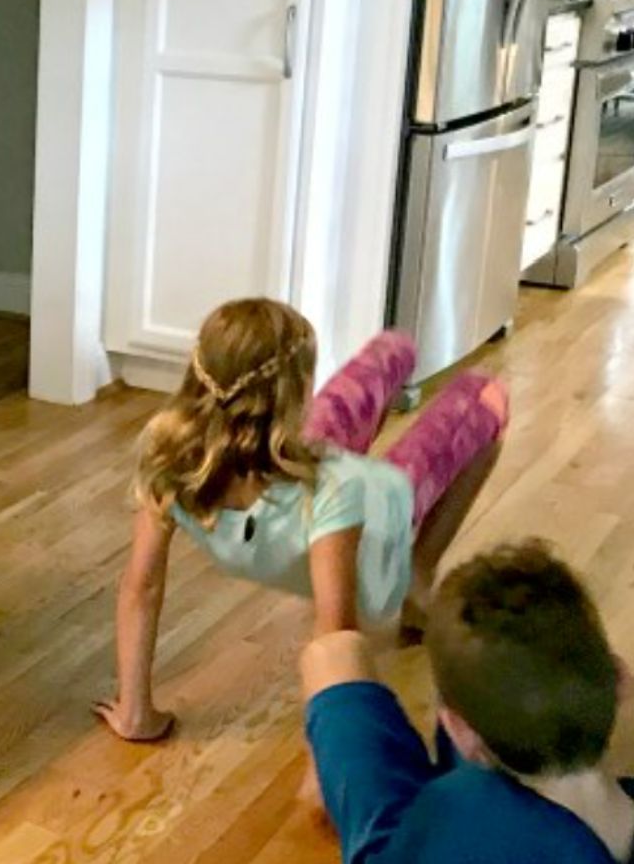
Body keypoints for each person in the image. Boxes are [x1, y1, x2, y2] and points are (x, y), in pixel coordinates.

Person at [93, 298, 507, 742]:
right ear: (294, 397)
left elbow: (143, 583)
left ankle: (410, 564)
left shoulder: (168, 454)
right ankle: (417, 571)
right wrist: (326, 764)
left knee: (395, 348)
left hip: (297, 468)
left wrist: (136, 711)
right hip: (384, 510)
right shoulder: (331, 489)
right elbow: (336, 638)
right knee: (487, 394)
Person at [303, 540, 634, 863]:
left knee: (333, 653)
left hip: (417, 840)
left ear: (460, 731)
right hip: (468, 817)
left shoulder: (464, 805)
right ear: (621, 679)